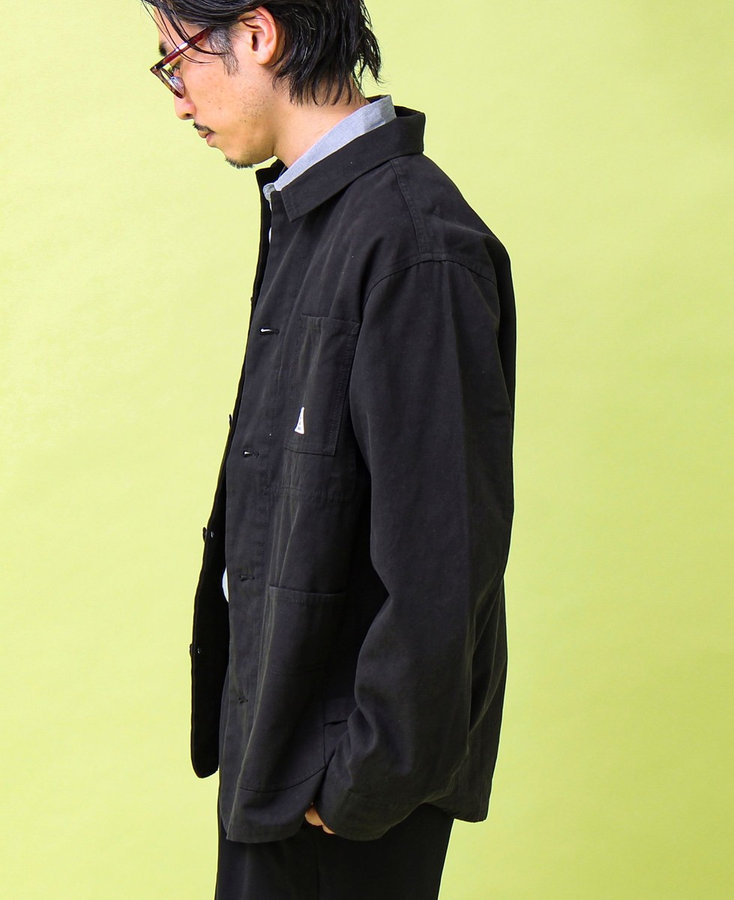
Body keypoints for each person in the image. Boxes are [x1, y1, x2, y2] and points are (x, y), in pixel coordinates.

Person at [145, 2, 516, 897]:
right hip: (281, 751)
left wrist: (365, 781)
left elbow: (444, 555)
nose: (177, 97)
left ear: (257, 34)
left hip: (340, 793)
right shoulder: (318, 216)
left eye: (175, 60)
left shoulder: (414, 244)